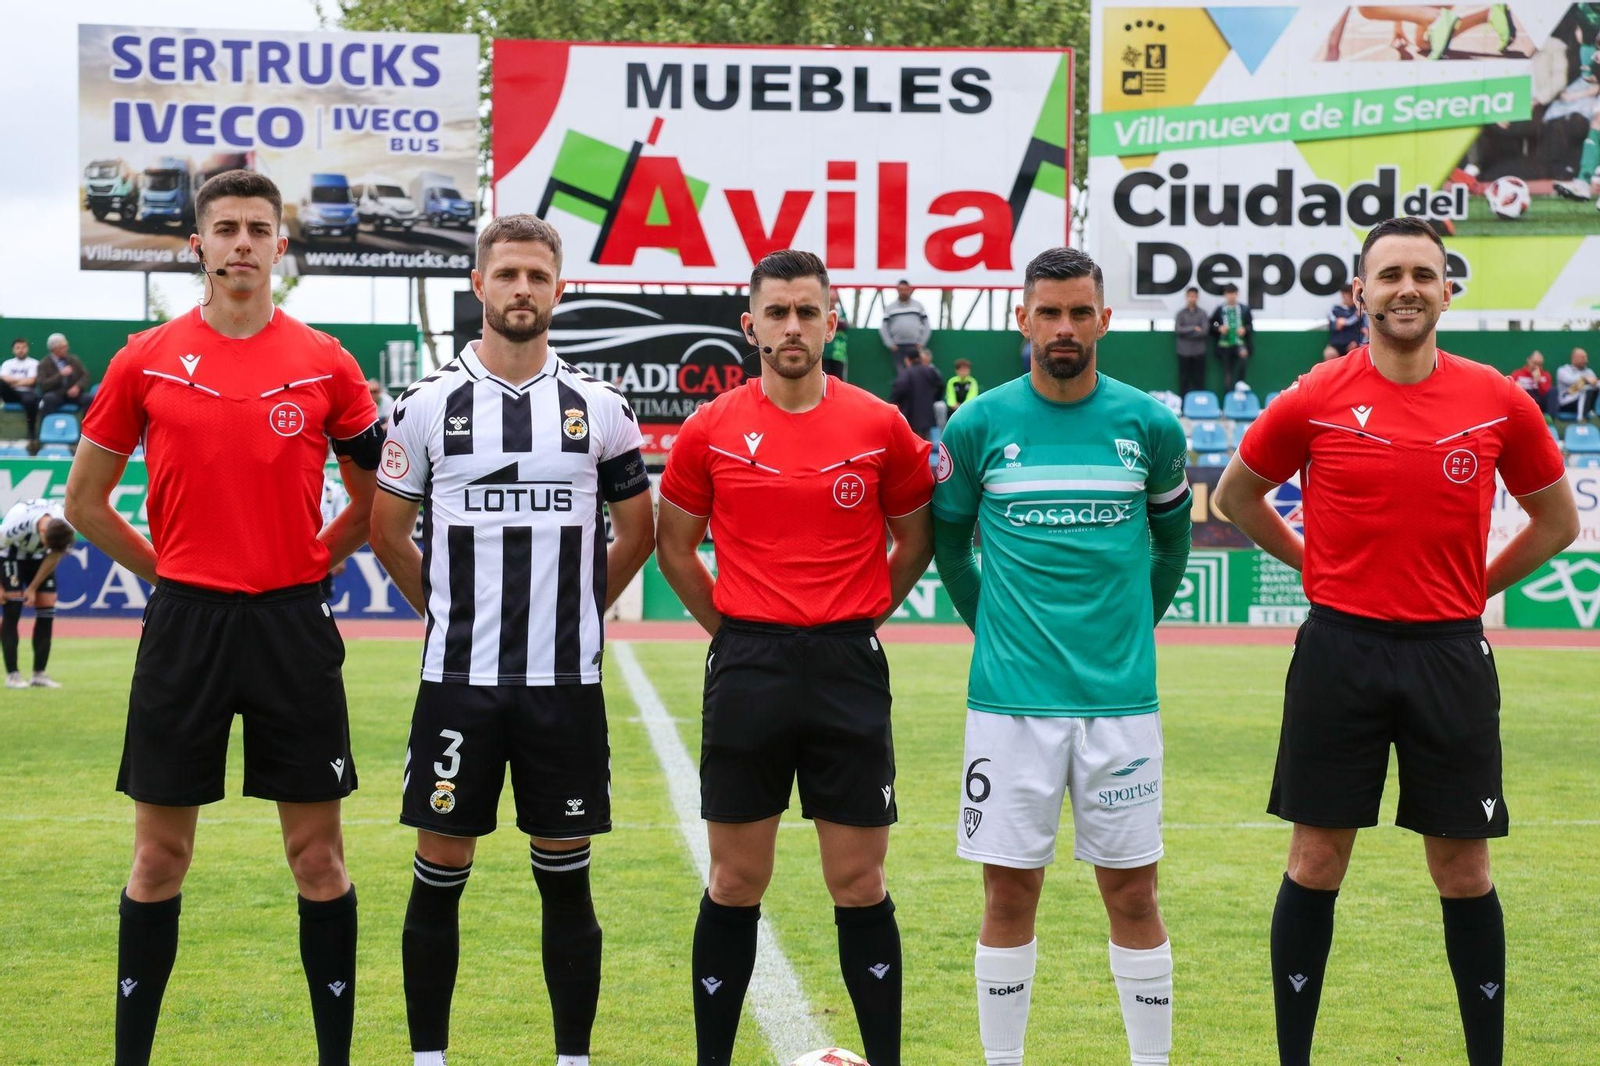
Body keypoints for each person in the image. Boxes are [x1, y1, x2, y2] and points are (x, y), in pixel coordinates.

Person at [1213, 217, 1578, 1066]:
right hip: (1339, 651)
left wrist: (1470, 588)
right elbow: (1237, 497)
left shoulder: (1497, 398)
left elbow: (1557, 522)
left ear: (1449, 289)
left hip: (1450, 653)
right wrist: (1317, 569)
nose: (1407, 288)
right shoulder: (1313, 397)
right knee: (1315, 859)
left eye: (1424, 273)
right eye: (1389, 276)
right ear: (1359, 294)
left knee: (1464, 869)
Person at [64, 169, 381, 1066]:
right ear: (197, 244)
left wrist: (307, 561)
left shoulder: (327, 361)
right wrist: (171, 574)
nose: (243, 242)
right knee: (159, 859)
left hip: (291, 626)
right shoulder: (146, 357)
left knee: (317, 859)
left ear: (283, 245)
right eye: (227, 227)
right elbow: (87, 502)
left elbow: (371, 507)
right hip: (186, 627)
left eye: (259, 228)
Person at [369, 215, 655, 1066]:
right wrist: (449, 608)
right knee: (439, 870)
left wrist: (576, 607)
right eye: (508, 275)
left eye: (537, 275)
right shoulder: (424, 407)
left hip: (564, 683)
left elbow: (635, 533)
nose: (522, 289)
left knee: (565, 877)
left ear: (559, 290)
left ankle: (573, 1057)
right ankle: (430, 1058)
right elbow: (389, 532)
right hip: (458, 682)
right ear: (478, 287)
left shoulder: (600, 409)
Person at [656, 249, 934, 1066]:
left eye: (807, 312)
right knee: (736, 881)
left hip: (847, 665)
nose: (791, 326)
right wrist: (734, 633)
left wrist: (863, 613)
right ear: (750, 326)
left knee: (859, 883)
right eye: (776, 312)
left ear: (831, 324)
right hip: (750, 667)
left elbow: (915, 536)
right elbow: (676, 549)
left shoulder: (879, 425)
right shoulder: (710, 429)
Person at [933, 247, 1193, 1066]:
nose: (1065, 328)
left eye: (1081, 312)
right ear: (1023, 320)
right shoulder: (978, 426)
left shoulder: (1148, 426)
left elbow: (1171, 542)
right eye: (1049, 313)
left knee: (1134, 891)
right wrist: (994, 628)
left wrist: (1131, 630)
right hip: (1009, 707)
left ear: (1104, 321)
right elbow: (949, 544)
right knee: (1009, 890)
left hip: (1121, 707)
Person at [1, 497, 76, 689]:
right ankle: (13, 675)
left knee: (47, 606)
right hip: (10, 555)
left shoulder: (63, 524)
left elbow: (54, 554)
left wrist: (33, 587)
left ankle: (39, 675)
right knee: (12, 606)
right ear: (42, 532)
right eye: (47, 544)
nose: (48, 548)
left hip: (39, 560)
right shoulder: (13, 526)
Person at [890, 346, 945, 441]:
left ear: (907, 359)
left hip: (910, 417)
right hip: (927, 416)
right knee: (926, 445)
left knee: (913, 444)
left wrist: (893, 404)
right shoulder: (930, 371)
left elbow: (898, 391)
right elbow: (941, 385)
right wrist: (935, 398)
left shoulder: (905, 373)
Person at [37, 332, 94, 419]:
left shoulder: (73, 360)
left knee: (89, 398)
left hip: (74, 394)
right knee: (48, 398)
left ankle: (85, 430)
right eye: (63, 347)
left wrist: (77, 387)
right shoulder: (44, 363)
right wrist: (60, 375)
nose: (67, 349)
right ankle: (48, 428)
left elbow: (85, 376)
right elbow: (43, 384)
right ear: (55, 349)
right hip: (56, 394)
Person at [1209, 284, 1254, 392]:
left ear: (1237, 294)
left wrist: (1245, 329)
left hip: (1239, 342)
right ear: (1225, 295)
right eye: (1229, 293)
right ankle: (1228, 395)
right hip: (1224, 345)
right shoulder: (1220, 309)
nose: (1231, 296)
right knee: (1227, 373)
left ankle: (1240, 382)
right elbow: (1212, 323)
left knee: (1243, 355)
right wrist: (1219, 328)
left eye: (1233, 293)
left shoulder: (1244, 309)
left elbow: (1250, 325)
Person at [879, 278, 931, 367]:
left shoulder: (918, 306)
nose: (904, 292)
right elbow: (883, 328)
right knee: (901, 374)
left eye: (906, 290)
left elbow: (927, 325)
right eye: (901, 290)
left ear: (910, 290)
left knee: (916, 373)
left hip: (915, 346)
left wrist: (922, 342)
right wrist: (890, 344)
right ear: (897, 290)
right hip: (898, 347)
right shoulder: (890, 308)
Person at [1, 338, 41, 443]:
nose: (20, 350)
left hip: (27, 393)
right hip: (10, 393)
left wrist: (13, 382)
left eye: (23, 347)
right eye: (18, 348)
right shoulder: (7, 363)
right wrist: (21, 381)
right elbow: (4, 379)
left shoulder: (34, 363)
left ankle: (31, 432)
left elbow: (31, 381)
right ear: (13, 350)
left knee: (30, 400)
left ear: (27, 349)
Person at [1173, 287, 1209, 395]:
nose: (1192, 299)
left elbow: (1204, 331)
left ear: (1197, 298)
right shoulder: (1180, 313)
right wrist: (1193, 328)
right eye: (1190, 296)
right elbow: (1178, 330)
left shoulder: (1202, 313)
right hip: (1183, 352)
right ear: (1186, 297)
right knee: (1184, 379)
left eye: (1194, 296)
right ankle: (1184, 404)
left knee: (1199, 379)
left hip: (1199, 352)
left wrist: (1186, 332)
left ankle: (1199, 404)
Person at [1553, 346, 1598, 419]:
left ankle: (1596, 414)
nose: (1586, 360)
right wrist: (1586, 380)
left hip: (1586, 402)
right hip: (1566, 403)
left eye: (1586, 357)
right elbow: (1571, 381)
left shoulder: (1588, 371)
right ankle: (1581, 419)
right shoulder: (1563, 370)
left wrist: (1595, 382)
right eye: (1583, 358)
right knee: (1585, 389)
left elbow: (1595, 383)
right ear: (1574, 358)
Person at [1326, 285, 1366, 356]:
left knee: (1357, 353)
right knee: (1330, 353)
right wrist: (1355, 317)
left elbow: (1363, 329)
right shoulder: (1335, 310)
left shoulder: (1359, 310)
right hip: (1337, 345)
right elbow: (1337, 325)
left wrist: (1356, 342)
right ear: (1343, 294)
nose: (1353, 298)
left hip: (1354, 344)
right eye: (1350, 295)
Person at [824, 289, 850, 380]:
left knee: (838, 380)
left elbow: (845, 325)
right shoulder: (821, 312)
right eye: (831, 300)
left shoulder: (840, 312)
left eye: (835, 300)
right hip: (823, 352)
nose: (833, 303)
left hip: (838, 353)